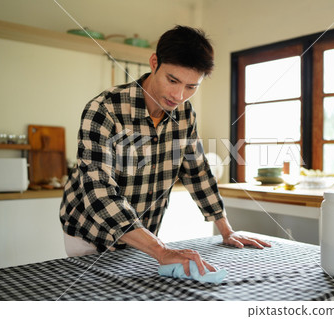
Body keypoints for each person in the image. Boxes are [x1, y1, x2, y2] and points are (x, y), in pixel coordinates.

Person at [60, 25, 270, 277]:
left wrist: (226, 230)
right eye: (173, 80)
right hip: (91, 232)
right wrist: (159, 249)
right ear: (154, 62)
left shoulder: (184, 113)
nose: (179, 95)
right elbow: (98, 190)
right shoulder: (104, 109)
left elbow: (197, 171)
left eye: (191, 86)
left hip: (145, 233)